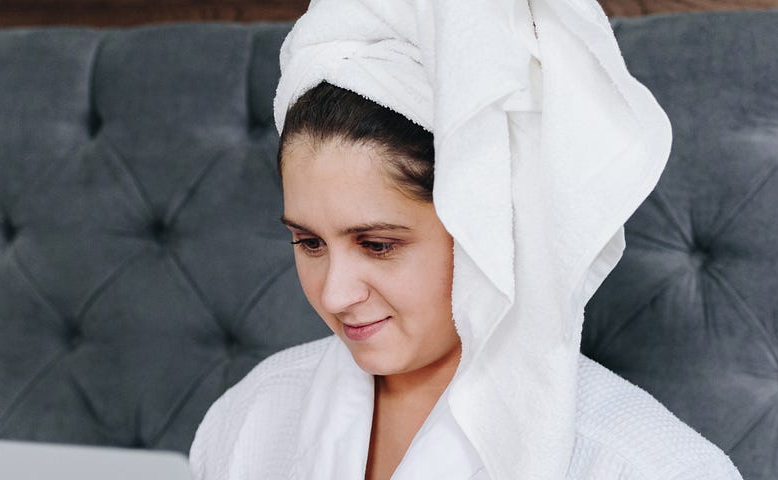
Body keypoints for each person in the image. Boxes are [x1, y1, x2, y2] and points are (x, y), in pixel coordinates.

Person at [187, 81, 743, 479]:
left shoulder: (648, 465)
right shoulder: (254, 414)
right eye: (309, 243)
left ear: (491, 237)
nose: (333, 294)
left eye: (378, 245)